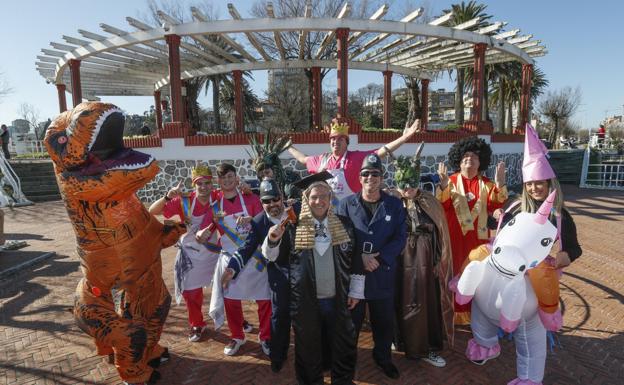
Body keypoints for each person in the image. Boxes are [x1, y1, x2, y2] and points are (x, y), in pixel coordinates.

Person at [263, 174, 364, 385]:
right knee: (307, 347)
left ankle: (342, 381)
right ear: (307, 199)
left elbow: (355, 260)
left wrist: (355, 290)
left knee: (342, 344)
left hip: (338, 297)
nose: (319, 202)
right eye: (314, 197)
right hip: (306, 300)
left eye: (324, 196)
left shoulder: (344, 225)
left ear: (330, 198)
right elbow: (275, 258)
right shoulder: (293, 228)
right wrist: (272, 240)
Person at [492, 124, 582, 330]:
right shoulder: (516, 207)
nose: (534, 188)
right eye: (530, 184)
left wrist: (566, 255)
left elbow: (575, 248)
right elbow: (499, 229)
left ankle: (548, 314)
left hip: (537, 275)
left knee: (531, 329)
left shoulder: (559, 215)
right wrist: (496, 216)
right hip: (508, 270)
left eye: (539, 183)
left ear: (550, 184)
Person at [336, 153, 407, 379]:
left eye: (375, 174)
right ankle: (347, 361)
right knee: (351, 322)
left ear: (381, 178)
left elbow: (400, 237)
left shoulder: (394, 205)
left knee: (383, 321)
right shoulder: (346, 204)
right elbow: (340, 239)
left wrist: (380, 258)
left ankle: (383, 358)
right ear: (359, 178)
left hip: (381, 272)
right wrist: (360, 258)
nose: (370, 178)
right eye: (366, 174)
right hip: (355, 273)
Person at [221, 177, 300, 373]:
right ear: (261, 202)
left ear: (282, 198)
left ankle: (308, 356)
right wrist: (231, 269)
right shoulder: (258, 222)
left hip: (303, 272)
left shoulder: (296, 212)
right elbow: (246, 248)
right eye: (266, 201)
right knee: (279, 316)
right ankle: (278, 355)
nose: (272, 204)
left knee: (305, 317)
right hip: (279, 273)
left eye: (275, 199)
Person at [392, 144, 455, 368]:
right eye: (403, 183)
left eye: (411, 182)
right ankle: (399, 340)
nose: (407, 188)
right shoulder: (390, 202)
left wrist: (439, 261)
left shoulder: (430, 201)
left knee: (425, 303)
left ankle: (426, 347)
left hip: (426, 261)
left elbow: (440, 234)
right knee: (400, 300)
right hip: (399, 262)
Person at [436, 136, 507, 324]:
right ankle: (452, 312)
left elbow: (496, 204)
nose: (469, 158)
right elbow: (441, 207)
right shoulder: (449, 182)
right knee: (452, 275)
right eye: (465, 156)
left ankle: (476, 313)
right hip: (453, 239)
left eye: (474, 156)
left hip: (478, 241)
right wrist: (442, 185)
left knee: (477, 277)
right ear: (459, 160)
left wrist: (500, 185)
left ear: (480, 161)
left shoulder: (488, 184)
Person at [202, 163, 270, 357]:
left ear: (236, 177)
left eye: (231, 176)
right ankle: (237, 336)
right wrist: (201, 234)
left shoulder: (252, 198)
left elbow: (265, 220)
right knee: (231, 301)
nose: (228, 181)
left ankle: (265, 336)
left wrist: (253, 220)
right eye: (223, 178)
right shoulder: (215, 206)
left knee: (264, 300)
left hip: (255, 257)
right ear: (219, 181)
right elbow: (208, 229)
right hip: (230, 259)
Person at [148, 163, 220, 343]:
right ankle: (197, 324)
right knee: (191, 292)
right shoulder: (184, 200)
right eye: (199, 183)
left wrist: (243, 188)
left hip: (214, 252)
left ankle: (236, 321)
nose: (203, 187)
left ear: (212, 184)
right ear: (194, 185)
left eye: (207, 183)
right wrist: (167, 197)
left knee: (226, 287)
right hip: (191, 254)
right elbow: (153, 211)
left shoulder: (218, 197)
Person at [287, 119, 422, 200]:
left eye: (340, 139)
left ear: (347, 142)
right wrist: (288, 147)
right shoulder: (322, 160)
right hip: (329, 214)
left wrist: (405, 138)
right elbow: (304, 159)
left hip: (353, 211)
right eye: (333, 139)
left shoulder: (356, 158)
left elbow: (382, 151)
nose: (336, 142)